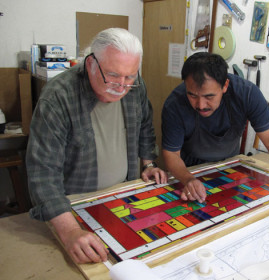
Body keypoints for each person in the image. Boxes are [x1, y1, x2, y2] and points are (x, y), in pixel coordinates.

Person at [26, 28, 167, 264]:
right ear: (91, 63)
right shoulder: (58, 97)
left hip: (124, 196)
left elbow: (144, 125)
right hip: (75, 208)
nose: (121, 86)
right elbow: (42, 173)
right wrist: (70, 232)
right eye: (113, 75)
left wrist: (148, 163)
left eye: (129, 76)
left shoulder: (134, 84)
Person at [162, 52, 269, 208]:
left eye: (209, 97)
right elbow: (171, 154)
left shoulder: (247, 94)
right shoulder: (175, 104)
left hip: (230, 166)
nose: (200, 105)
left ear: (225, 85)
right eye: (192, 95)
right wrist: (188, 179)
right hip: (189, 169)